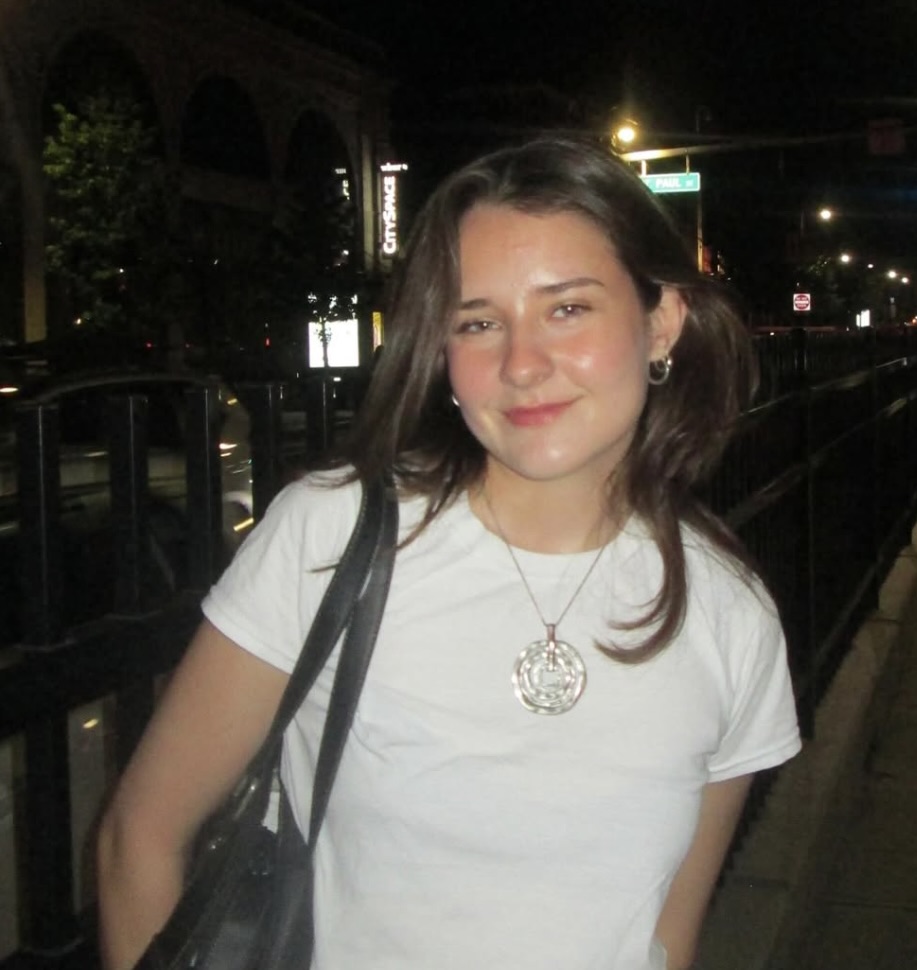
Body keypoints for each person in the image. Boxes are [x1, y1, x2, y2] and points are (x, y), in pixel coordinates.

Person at [98, 136, 802, 970]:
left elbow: (666, 941)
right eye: (479, 322)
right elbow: (138, 839)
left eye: (568, 308)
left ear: (662, 323)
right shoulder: (334, 535)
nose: (522, 364)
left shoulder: (728, 613)